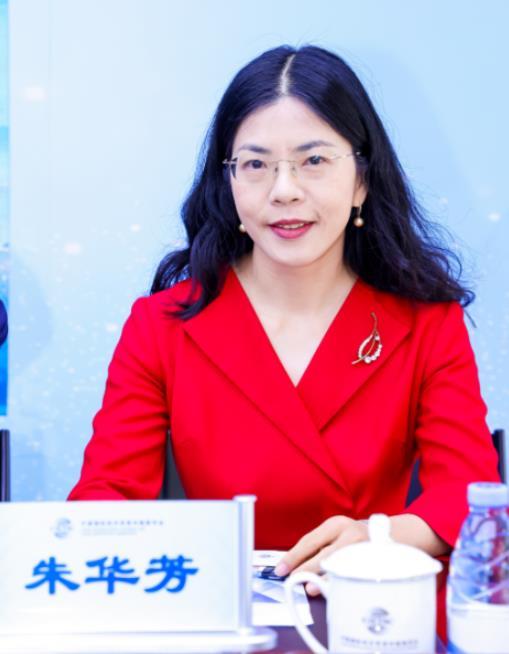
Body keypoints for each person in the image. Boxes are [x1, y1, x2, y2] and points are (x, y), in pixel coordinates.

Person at [69, 45, 500, 637]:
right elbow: (105, 497)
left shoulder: (426, 321)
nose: (284, 190)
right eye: (255, 164)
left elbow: (467, 494)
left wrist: (375, 538)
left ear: (362, 180)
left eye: (313, 160)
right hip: (221, 621)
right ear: (228, 182)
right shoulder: (161, 325)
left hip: (369, 614)